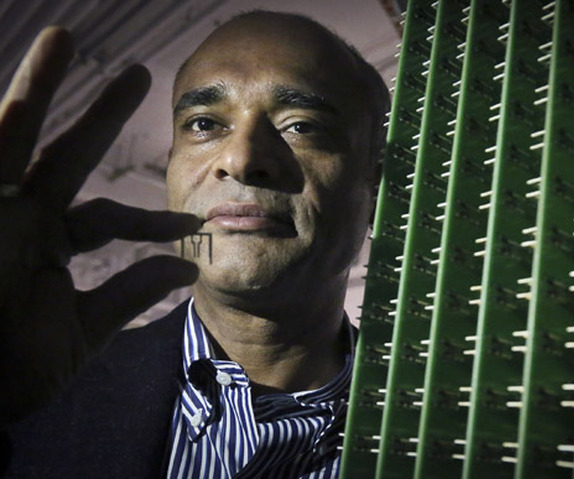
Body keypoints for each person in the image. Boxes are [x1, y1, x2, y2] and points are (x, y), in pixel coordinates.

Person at [0, 9, 389, 478]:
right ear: (171, 167)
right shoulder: (32, 394)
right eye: (204, 124)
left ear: (376, 184)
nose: (241, 159)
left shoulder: (462, 442)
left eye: (301, 125)